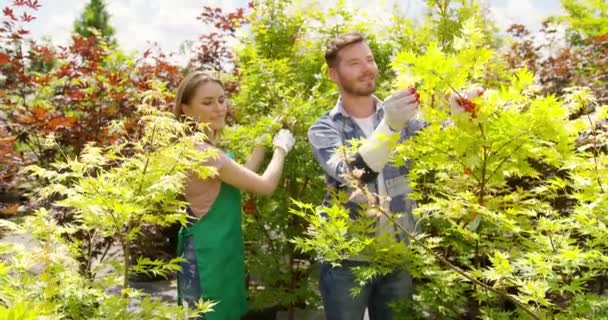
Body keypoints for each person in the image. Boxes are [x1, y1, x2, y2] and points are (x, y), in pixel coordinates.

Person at [307, 32, 482, 320]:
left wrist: (459, 114)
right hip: (346, 261)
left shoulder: (401, 117)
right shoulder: (325, 128)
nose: (367, 68)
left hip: (398, 255)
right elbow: (352, 175)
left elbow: (440, 145)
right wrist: (390, 126)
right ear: (333, 74)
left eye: (370, 59)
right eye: (354, 63)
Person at [173, 71, 295, 320]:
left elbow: (242, 177)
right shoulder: (204, 152)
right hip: (208, 256)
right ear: (185, 109)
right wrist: (281, 148)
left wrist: (263, 139)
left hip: (219, 249)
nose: (219, 108)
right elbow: (265, 185)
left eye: (221, 99)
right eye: (207, 102)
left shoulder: (201, 147)